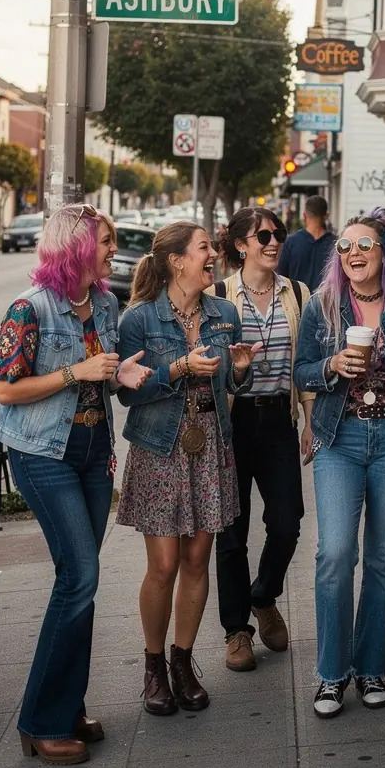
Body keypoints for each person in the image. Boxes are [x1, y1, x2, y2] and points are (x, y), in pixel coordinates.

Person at [0, 204, 152, 765]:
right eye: (106, 241)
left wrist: (119, 376)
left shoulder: (105, 304)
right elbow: (6, 390)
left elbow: (102, 378)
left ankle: (68, 706)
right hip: (43, 454)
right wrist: (74, 372)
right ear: (78, 247)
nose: (113, 250)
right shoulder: (29, 308)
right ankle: (41, 721)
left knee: (80, 581)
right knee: (80, 576)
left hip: (92, 452)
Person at [294, 207, 385, 718]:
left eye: (364, 245)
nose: (352, 253)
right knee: (335, 554)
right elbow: (301, 371)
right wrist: (331, 364)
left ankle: (372, 667)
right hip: (340, 437)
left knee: (383, 557)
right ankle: (331, 674)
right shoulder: (323, 307)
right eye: (345, 246)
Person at [116, 222, 259, 715]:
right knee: (164, 565)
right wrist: (177, 369)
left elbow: (234, 386)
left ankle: (183, 662)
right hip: (160, 447)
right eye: (204, 248)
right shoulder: (139, 318)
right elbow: (127, 393)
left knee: (198, 561)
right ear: (177, 260)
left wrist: (240, 369)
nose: (213, 255)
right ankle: (154, 666)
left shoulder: (225, 313)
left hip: (210, 443)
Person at [211, 206, 315, 672]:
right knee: (231, 533)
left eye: (278, 234)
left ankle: (264, 596)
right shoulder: (218, 295)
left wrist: (309, 420)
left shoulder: (298, 293)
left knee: (288, 522)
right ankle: (236, 630)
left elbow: (305, 361)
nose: (274, 243)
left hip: (278, 419)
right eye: (264, 236)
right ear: (241, 245)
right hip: (231, 424)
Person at [278, 194, 335, 291]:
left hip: (296, 299)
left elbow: (281, 279)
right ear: (326, 216)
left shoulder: (290, 243)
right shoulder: (335, 244)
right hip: (327, 299)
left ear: (304, 215)